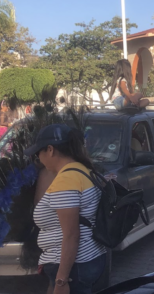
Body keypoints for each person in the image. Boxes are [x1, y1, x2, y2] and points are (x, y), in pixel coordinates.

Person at [25, 124, 106, 294]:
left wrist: (61, 280)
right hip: (89, 259)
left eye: (39, 153)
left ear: (50, 150)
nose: (39, 159)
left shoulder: (66, 181)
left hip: (72, 267)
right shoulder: (82, 171)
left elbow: (71, 235)